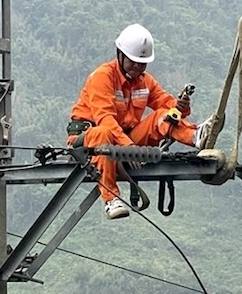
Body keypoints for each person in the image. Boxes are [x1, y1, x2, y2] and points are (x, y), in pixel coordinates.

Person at [66, 24, 198, 219]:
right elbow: (106, 119)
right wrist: (129, 149)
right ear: (120, 55)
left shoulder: (146, 82)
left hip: (124, 140)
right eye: (133, 62)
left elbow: (166, 104)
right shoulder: (102, 77)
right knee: (104, 133)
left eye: (141, 63)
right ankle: (111, 198)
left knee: (163, 115)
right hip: (89, 141)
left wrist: (181, 106)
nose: (137, 67)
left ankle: (196, 136)